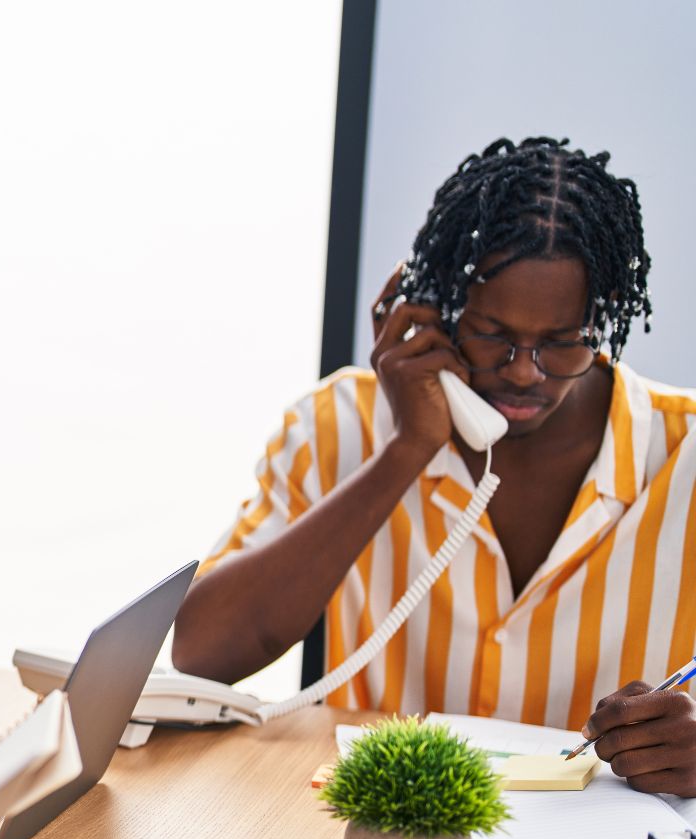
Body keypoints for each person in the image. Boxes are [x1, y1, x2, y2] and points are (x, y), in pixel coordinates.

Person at [175, 137, 696, 797]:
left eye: (563, 343)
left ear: (606, 316)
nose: (525, 371)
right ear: (432, 304)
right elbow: (199, 654)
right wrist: (407, 450)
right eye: (493, 334)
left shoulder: (686, 458)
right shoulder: (342, 426)